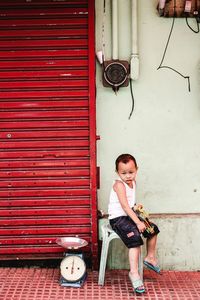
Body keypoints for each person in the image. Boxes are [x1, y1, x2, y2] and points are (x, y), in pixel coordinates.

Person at [108, 153, 160, 294]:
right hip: (118, 219)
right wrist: (137, 222)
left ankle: (150, 257)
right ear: (117, 173)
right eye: (123, 173)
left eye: (131, 172)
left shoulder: (133, 183)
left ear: (136, 169)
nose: (128, 176)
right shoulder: (119, 185)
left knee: (152, 229)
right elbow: (124, 206)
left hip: (129, 215)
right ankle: (134, 273)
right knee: (135, 239)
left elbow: (130, 205)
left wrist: (136, 208)